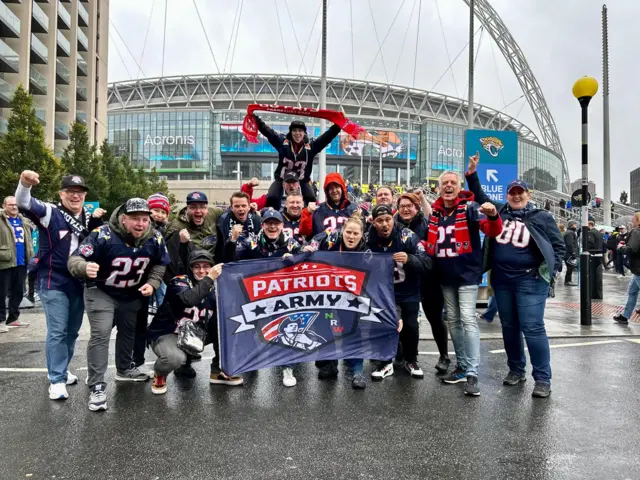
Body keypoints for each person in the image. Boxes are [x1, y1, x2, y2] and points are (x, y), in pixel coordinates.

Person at [466, 157, 565, 399]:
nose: (516, 196)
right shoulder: (500, 210)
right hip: (502, 279)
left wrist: (551, 271)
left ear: (528, 195)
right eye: (512, 192)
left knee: (532, 327)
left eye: (520, 192)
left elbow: (558, 246)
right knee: (509, 328)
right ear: (507, 195)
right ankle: (516, 370)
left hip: (530, 280)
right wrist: (472, 174)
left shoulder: (542, 217)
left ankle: (542, 378)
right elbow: (478, 194)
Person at [68, 198, 170, 412]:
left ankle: (124, 370)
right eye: (135, 219)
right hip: (101, 290)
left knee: (128, 332)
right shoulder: (103, 234)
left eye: (144, 219)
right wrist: (84, 267)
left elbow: (160, 264)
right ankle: (96, 384)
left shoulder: (155, 237)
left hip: (131, 292)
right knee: (101, 333)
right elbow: (75, 259)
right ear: (124, 219)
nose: (140, 224)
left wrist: (153, 282)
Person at [15, 171, 106, 401]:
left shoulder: (88, 216)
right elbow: (23, 202)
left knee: (72, 331)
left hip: (78, 282)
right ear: (61, 194)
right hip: (52, 280)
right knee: (57, 330)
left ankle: (62, 369)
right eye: (70, 192)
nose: (75, 196)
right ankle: (56, 379)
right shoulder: (50, 212)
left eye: (80, 193)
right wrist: (24, 184)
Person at [428, 166, 503, 396]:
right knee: (453, 320)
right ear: (439, 188)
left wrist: (492, 215)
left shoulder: (470, 208)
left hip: (467, 274)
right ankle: (461, 366)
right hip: (445, 275)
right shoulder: (436, 213)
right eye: (444, 183)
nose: (448, 186)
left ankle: (472, 372)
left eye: (453, 182)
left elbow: (492, 230)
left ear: (459, 187)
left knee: (468, 319)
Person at [223, 209, 303, 387]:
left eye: (276, 223)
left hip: (283, 295)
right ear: (263, 225)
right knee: (249, 328)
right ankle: (250, 363)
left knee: (286, 329)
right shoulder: (250, 242)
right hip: (254, 295)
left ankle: (288, 367)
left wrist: (296, 260)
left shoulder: (292, 244)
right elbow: (229, 260)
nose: (272, 226)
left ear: (282, 226)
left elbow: (307, 262)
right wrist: (232, 240)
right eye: (268, 223)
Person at [366, 204, 431, 380]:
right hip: (384, 293)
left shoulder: (407, 236)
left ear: (393, 219)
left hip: (408, 289)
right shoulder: (368, 239)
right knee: (387, 324)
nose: (385, 224)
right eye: (380, 221)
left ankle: (411, 360)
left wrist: (410, 259)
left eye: (388, 220)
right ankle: (386, 362)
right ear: (374, 223)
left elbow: (427, 263)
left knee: (410, 325)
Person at [147, 251, 225, 394]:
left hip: (194, 333)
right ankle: (160, 373)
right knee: (174, 358)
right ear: (190, 268)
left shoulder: (217, 286)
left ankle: (217, 370)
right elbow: (189, 299)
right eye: (197, 267)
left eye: (206, 266)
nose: (202, 271)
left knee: (228, 330)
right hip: (170, 333)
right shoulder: (179, 281)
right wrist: (209, 278)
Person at [307, 211, 369, 389]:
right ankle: (329, 364)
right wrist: (309, 247)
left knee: (353, 332)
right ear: (343, 231)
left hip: (353, 298)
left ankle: (357, 371)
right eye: (348, 232)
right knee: (326, 327)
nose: (351, 236)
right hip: (329, 296)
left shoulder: (367, 249)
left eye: (355, 233)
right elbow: (315, 240)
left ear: (361, 235)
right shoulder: (333, 237)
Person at [394, 192, 450, 372]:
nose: (405, 209)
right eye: (402, 206)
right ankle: (406, 354)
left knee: (435, 319)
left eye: (409, 206)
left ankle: (444, 355)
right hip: (406, 282)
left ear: (417, 208)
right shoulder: (394, 225)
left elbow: (431, 215)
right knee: (407, 321)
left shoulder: (426, 225)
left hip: (428, 279)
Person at [253, 115, 341, 206]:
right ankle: (274, 216)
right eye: (294, 130)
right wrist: (255, 118)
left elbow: (326, 137)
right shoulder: (282, 143)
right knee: (272, 197)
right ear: (290, 132)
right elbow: (268, 132)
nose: (297, 133)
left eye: (300, 131)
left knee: (311, 200)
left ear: (304, 133)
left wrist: (338, 125)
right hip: (282, 179)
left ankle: (308, 218)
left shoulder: (311, 147)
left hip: (302, 180)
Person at [165, 191, 224, 280]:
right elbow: (168, 255)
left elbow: (232, 212)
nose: (198, 211)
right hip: (191, 271)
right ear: (187, 208)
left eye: (202, 207)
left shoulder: (213, 214)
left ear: (207, 208)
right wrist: (178, 241)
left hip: (213, 267)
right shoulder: (176, 226)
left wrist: (251, 210)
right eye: (193, 207)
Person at [0, 196, 35, 332]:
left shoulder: (23, 220)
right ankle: (0, 320)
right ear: (4, 206)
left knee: (18, 291)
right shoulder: (1, 219)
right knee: (1, 293)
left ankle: (13, 318)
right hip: (5, 261)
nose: (14, 207)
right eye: (10, 205)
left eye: (16, 205)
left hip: (21, 260)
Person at [299, 173, 358, 238]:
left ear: (342, 188)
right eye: (331, 188)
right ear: (327, 191)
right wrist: (307, 213)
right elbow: (304, 232)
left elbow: (361, 233)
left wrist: (369, 222)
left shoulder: (354, 210)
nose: (334, 190)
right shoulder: (317, 211)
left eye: (337, 187)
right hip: (322, 248)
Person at [216, 192, 261, 259]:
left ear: (249, 207)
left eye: (244, 206)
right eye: (237, 206)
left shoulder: (256, 219)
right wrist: (232, 239)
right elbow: (220, 250)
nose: (240, 209)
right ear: (231, 208)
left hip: (252, 261)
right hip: (231, 261)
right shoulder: (224, 220)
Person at [614, 213, 640, 325]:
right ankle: (625, 316)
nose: (632, 219)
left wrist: (622, 248)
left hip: (638, 267)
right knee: (632, 291)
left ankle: (625, 316)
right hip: (637, 269)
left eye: (634, 217)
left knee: (632, 292)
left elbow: (632, 249)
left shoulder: (636, 231)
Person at [587, 220, 604, 299]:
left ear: (589, 224)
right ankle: (599, 293)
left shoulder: (590, 232)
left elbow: (590, 243)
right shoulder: (599, 233)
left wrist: (585, 249)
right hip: (599, 255)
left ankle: (593, 293)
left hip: (592, 255)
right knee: (598, 275)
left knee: (592, 274)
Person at [564, 220, 579, 286]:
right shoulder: (570, 233)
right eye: (575, 224)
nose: (576, 226)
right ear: (571, 225)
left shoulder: (570, 232)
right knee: (570, 267)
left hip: (568, 253)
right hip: (569, 254)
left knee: (570, 267)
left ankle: (568, 280)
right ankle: (568, 281)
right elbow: (570, 244)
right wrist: (573, 253)